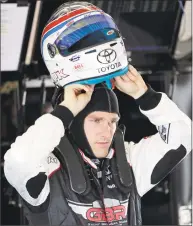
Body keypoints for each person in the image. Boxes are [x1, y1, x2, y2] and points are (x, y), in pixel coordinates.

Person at [4, 2, 191, 226]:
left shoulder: (131, 163)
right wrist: (66, 111)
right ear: (74, 121)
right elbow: (17, 161)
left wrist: (145, 95)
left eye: (113, 121)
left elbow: (183, 136)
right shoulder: (47, 168)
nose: (107, 130)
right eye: (96, 120)